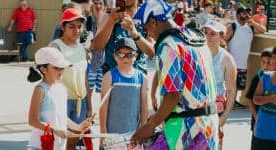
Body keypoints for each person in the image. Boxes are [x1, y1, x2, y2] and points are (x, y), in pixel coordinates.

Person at [131, 0, 219, 149]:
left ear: (153, 22)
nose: (148, 34)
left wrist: (151, 125)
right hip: (209, 128)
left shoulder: (168, 45)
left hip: (187, 131)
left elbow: (172, 95)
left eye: (147, 28)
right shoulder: (194, 38)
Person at [27, 47, 92, 150]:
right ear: (43, 69)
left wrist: (78, 127)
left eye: (62, 67)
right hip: (40, 145)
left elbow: (61, 116)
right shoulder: (40, 89)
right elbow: (32, 120)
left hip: (58, 146)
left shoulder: (61, 88)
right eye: (56, 68)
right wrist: (55, 130)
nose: (61, 71)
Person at [48, 8, 91, 150]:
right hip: (62, 100)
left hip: (81, 101)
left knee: (74, 140)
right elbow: (49, 78)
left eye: (79, 27)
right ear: (63, 27)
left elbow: (85, 78)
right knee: (59, 140)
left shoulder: (82, 48)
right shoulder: (55, 46)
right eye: (71, 26)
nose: (77, 30)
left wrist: (89, 105)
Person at [99, 38, 148, 146]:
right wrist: (103, 132)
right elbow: (103, 106)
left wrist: (143, 129)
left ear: (135, 56)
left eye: (129, 55)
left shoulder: (142, 78)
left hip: (133, 134)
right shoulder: (109, 76)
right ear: (115, 56)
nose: (125, 58)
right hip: (112, 135)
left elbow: (144, 107)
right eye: (121, 54)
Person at [91, 0, 155, 74]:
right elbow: (95, 47)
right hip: (112, 78)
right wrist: (111, 21)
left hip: (138, 79)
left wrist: (135, 34)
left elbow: (151, 53)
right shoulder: (109, 16)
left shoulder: (146, 17)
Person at [203, 21, 237, 149]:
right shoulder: (196, 53)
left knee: (213, 144)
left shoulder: (227, 59)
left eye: (212, 34)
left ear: (221, 36)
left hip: (215, 107)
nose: (208, 37)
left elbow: (231, 90)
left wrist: (225, 116)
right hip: (196, 106)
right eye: (205, 33)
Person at [224, 7, 266, 108]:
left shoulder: (250, 27)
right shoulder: (233, 26)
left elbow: (263, 30)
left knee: (238, 84)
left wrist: (253, 22)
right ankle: (228, 102)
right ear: (238, 15)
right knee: (230, 84)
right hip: (232, 62)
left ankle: (233, 101)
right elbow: (223, 40)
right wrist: (227, 54)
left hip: (243, 62)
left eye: (248, 13)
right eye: (244, 13)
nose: (247, 15)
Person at [245, 50, 272, 148]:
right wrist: (257, 117)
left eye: (268, 62)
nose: (265, 65)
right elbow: (250, 99)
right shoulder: (257, 78)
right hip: (258, 119)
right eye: (263, 62)